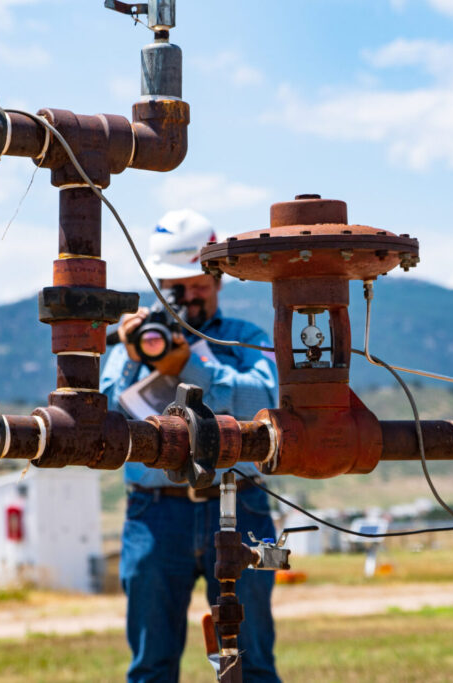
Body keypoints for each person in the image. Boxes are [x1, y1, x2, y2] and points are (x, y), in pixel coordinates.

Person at [100, 208, 281, 683]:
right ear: (158, 283)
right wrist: (131, 355)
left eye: (198, 283)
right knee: (152, 667)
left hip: (240, 502)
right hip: (156, 513)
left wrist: (191, 365)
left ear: (219, 278)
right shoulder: (130, 347)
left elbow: (263, 402)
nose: (188, 296)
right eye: (176, 286)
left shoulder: (247, 339)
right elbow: (100, 423)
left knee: (253, 662)